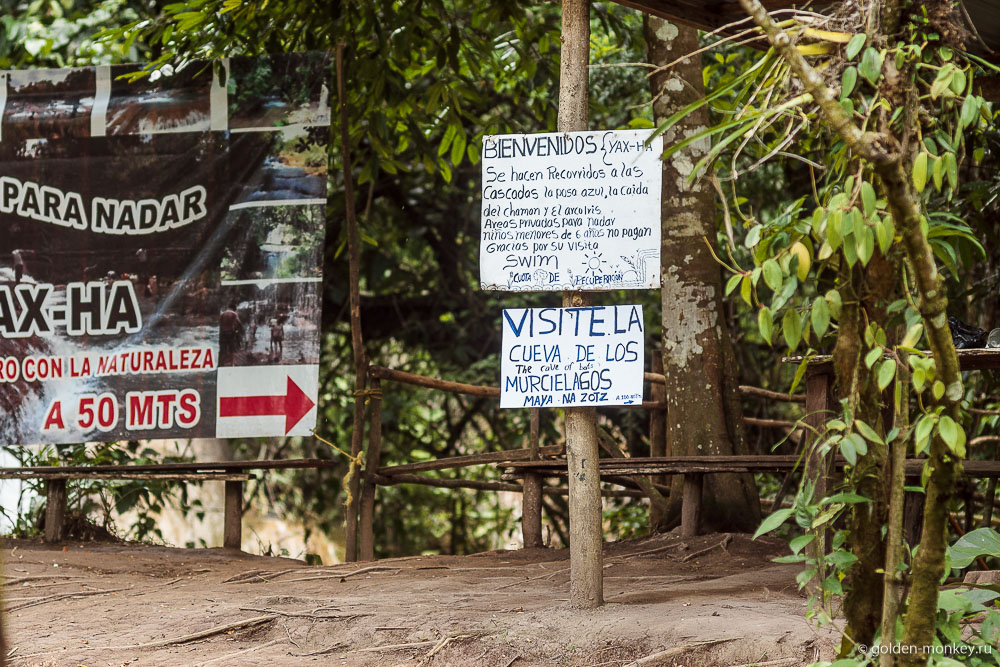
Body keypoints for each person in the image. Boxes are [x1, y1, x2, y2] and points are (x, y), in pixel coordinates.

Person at [219, 301, 243, 366]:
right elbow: (239, 323)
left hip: (223, 333)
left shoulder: (223, 314)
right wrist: (239, 331)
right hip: (230, 332)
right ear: (234, 308)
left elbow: (220, 324)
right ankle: (232, 363)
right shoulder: (234, 314)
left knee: (224, 348)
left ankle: (222, 363)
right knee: (232, 348)